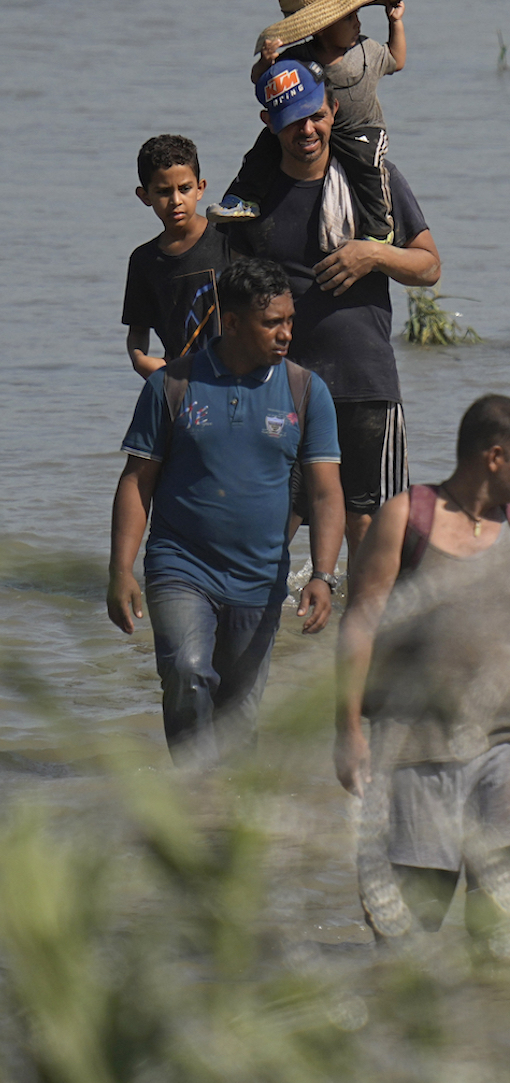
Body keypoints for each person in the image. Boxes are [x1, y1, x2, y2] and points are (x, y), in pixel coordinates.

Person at [335, 395, 510, 939]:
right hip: (415, 751)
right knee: (406, 931)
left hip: (508, 750)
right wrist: (349, 731)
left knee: (505, 933)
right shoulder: (407, 517)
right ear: (495, 457)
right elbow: (359, 626)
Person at [107, 257, 344, 763]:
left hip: (259, 577)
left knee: (238, 719)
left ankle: (222, 817)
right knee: (189, 673)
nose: (286, 334)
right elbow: (136, 482)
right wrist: (120, 569)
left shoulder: (306, 392)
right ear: (232, 322)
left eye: (290, 321)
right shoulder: (171, 385)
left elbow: (325, 494)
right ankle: (193, 794)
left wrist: (323, 574)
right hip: (180, 566)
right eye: (272, 323)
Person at [216, 59, 442, 562]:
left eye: (316, 116)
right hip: (279, 387)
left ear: (334, 109)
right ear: (269, 125)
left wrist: (374, 253)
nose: (308, 129)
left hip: (366, 383)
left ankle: (359, 637)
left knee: (371, 526)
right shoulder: (251, 200)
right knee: (269, 520)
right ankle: (271, 635)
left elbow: (429, 266)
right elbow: (225, 297)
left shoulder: (372, 181)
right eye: (293, 120)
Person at [222, 0, 408, 245]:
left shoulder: (366, 50)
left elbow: (397, 60)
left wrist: (395, 23)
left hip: (361, 128)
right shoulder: (298, 59)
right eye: (349, 17)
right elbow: (261, 80)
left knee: (368, 171)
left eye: (357, 14)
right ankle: (244, 198)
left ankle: (378, 229)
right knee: (264, 146)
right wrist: (265, 62)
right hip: (315, 127)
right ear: (323, 26)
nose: (357, 22)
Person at [122, 134, 229, 377]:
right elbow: (138, 331)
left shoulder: (230, 240)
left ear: (200, 188)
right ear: (144, 196)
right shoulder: (144, 261)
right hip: (183, 385)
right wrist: (140, 360)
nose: (176, 201)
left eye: (185, 189)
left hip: (237, 379)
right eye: (163, 191)